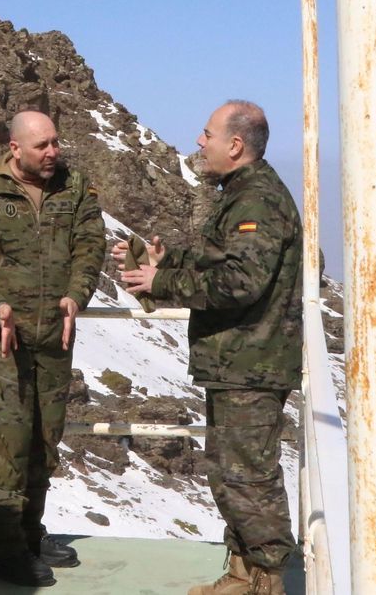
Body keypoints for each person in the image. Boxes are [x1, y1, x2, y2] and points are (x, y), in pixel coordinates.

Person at [117, 100, 302, 595]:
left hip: (252, 363)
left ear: (235, 145)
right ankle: (244, 575)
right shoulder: (240, 194)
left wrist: (164, 280)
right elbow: (221, 257)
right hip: (236, 362)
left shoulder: (257, 200)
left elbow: (241, 281)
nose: (200, 142)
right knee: (227, 473)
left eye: (207, 134)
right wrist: (168, 258)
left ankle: (267, 582)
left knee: (249, 477)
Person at [0, 110, 106, 587]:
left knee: (45, 437)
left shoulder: (74, 187)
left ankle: (28, 535)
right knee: (10, 442)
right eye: (42, 146)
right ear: (15, 148)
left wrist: (76, 295)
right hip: (5, 340)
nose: (53, 152)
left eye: (55, 142)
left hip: (54, 337)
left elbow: (90, 246)